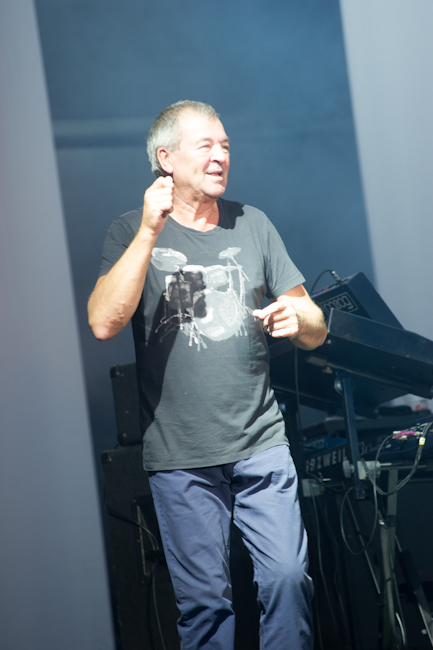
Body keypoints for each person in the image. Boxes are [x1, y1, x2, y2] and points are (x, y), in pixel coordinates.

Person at [88, 100, 327, 650]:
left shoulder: (253, 223)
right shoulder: (129, 230)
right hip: (181, 454)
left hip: (260, 441)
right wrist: (149, 231)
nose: (221, 156)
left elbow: (315, 326)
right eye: (206, 146)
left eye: (226, 146)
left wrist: (301, 319)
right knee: (205, 608)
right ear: (166, 159)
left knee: (288, 580)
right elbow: (103, 322)